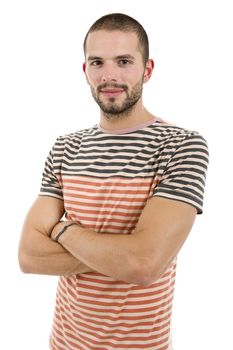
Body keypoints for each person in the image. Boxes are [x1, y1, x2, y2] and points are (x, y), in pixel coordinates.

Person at [18, 13, 209, 350]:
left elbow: (143, 264)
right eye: (97, 62)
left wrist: (64, 230)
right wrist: (120, 251)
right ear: (85, 71)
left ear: (147, 69)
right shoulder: (65, 147)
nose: (109, 75)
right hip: (62, 343)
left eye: (123, 61)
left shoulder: (180, 146)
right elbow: (29, 256)